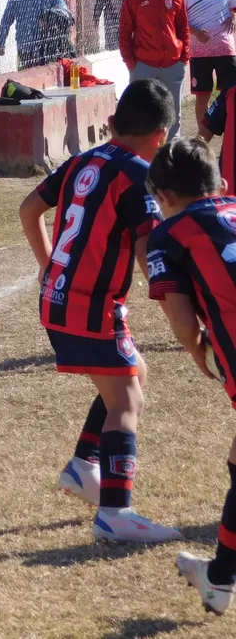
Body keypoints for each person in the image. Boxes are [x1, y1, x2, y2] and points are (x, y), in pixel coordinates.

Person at [18, 79, 181, 543]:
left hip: (58, 299)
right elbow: (152, 260)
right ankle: (115, 514)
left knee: (134, 376)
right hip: (89, 308)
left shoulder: (83, 160)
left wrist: (50, 266)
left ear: (112, 123)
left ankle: (83, 465)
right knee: (127, 400)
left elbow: (29, 209)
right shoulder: (137, 177)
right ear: (161, 136)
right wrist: (186, 306)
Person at [142, 137, 236, 614]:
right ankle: (219, 577)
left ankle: (220, 578)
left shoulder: (170, 234)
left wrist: (202, 354)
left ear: (164, 197)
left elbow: (182, 324)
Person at [119, 0, 189, 140]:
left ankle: (171, 151)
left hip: (173, 65)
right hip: (144, 65)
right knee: (141, 107)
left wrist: (183, 59)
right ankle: (140, 151)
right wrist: (131, 63)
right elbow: (125, 33)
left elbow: (184, 29)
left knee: (173, 111)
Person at [178, 0, 236, 128]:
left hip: (226, 49)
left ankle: (229, 135)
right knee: (202, 97)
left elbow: (234, 8)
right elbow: (178, 18)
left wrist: (234, 18)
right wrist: (195, 32)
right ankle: (202, 140)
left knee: (230, 95)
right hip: (198, 51)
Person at [0, 0, 68, 69]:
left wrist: (48, 16)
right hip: (24, 47)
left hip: (45, 45)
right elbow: (6, 20)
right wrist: (1, 42)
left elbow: (64, 10)